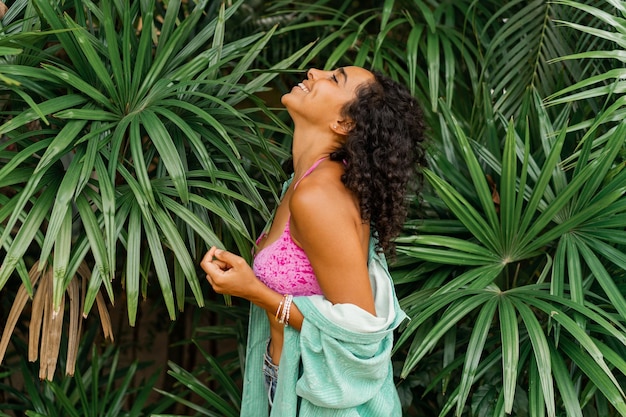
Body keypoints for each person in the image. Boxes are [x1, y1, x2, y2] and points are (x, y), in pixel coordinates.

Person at [200, 66, 426, 416]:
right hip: (288, 384)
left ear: (344, 123)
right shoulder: (302, 180)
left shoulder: (319, 197)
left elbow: (359, 336)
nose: (314, 72)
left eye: (334, 79)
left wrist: (254, 291)